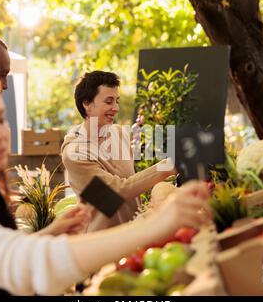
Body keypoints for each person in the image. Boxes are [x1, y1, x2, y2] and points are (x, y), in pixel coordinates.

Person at [0, 63, 212, 295]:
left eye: (0, 119)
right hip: (98, 250)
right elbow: (32, 264)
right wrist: (157, 221)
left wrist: (51, 232)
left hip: (120, 239)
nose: (0, 135)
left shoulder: (117, 135)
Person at [61, 71, 177, 232]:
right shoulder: (75, 154)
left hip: (134, 232)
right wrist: (168, 166)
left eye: (117, 101)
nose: (116, 108)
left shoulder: (119, 133)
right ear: (86, 103)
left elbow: (132, 182)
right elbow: (116, 192)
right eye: (109, 102)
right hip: (102, 242)